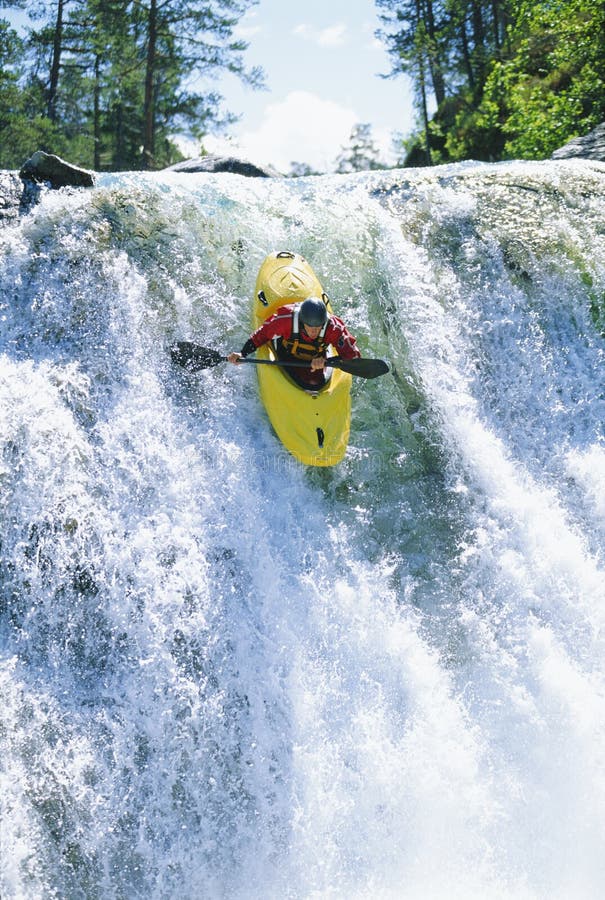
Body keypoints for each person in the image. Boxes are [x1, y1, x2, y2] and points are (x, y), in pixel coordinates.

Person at [227, 297, 361, 388]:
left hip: (316, 361)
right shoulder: (285, 321)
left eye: (318, 327)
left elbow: (354, 357)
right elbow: (262, 335)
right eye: (310, 327)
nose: (314, 331)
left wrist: (327, 362)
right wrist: (243, 352)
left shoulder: (334, 328)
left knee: (315, 381)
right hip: (286, 354)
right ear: (302, 322)